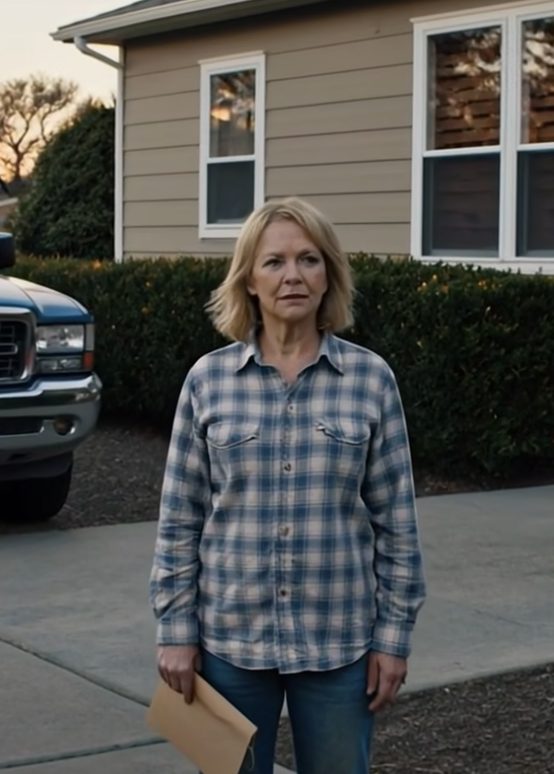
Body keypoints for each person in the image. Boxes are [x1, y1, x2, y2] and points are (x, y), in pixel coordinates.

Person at [150, 197, 426, 774]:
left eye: (308, 259)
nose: (292, 276)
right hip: (228, 646)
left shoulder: (371, 381)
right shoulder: (208, 381)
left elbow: (397, 527)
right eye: (274, 262)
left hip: (339, 647)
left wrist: (393, 638)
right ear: (249, 279)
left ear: (329, 275)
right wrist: (176, 631)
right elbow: (180, 520)